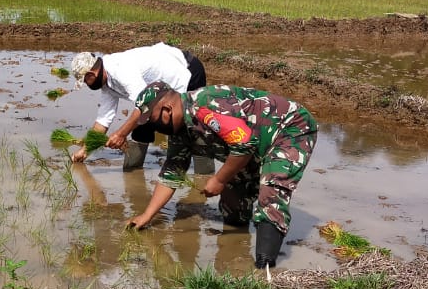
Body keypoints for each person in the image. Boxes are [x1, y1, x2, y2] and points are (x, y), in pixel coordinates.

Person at [125, 81, 318, 270]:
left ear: (167, 109)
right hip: (252, 144)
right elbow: (171, 172)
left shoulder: (205, 105)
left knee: (271, 191)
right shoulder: (179, 131)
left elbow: (243, 144)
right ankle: (235, 258)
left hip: (288, 128)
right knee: (232, 205)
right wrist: (147, 216)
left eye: (153, 120)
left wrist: (219, 179)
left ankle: (265, 269)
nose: (153, 126)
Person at [67, 43, 206, 170]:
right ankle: (133, 172)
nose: (87, 84)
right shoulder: (106, 84)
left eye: (85, 81)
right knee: (141, 127)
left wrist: (121, 134)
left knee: (191, 128)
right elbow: (103, 120)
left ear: (91, 74)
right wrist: (84, 151)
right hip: (158, 89)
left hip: (186, 71)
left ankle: (204, 175)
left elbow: (145, 105)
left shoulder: (120, 69)